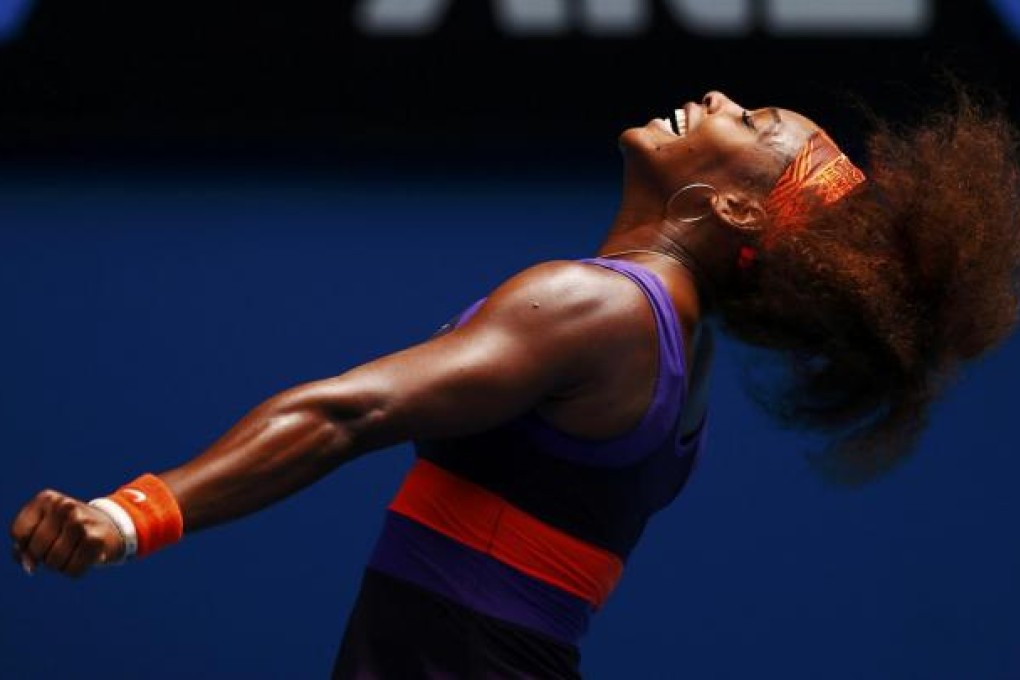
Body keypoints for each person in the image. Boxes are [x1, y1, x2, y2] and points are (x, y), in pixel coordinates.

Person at [10, 86, 1020, 679]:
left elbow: (346, 410)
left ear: (739, 213)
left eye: (752, 123)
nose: (715, 100)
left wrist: (129, 516)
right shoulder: (682, 358)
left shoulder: (598, 307)